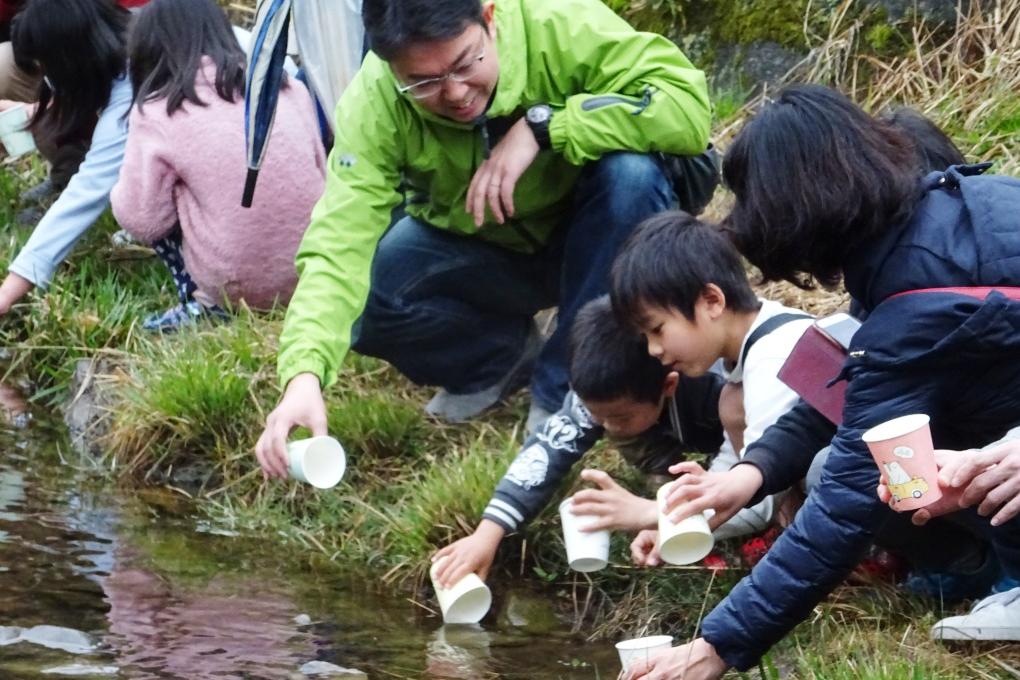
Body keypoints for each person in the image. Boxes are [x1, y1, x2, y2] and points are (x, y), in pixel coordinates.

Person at [623, 84, 1020, 680]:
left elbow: (845, 498)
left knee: (892, 461)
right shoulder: (950, 210)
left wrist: (717, 647)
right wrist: (750, 477)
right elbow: (847, 389)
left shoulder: (916, 302)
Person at [253, 0, 715, 479]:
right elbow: (337, 244)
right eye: (423, 82)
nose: (455, 94)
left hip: (602, 233)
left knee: (632, 176)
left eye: (465, 63)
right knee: (371, 297)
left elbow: (685, 106)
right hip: (484, 245)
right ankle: (498, 358)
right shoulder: (376, 99)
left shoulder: (554, 22)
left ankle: (567, 387)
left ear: (489, 19)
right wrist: (303, 375)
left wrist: (547, 127)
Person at [431, 295, 746, 588]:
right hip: (668, 430)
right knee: (629, 435)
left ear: (668, 385)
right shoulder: (609, 397)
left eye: (619, 417)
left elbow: (742, 462)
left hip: (731, 437)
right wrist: (488, 533)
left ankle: (679, 498)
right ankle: (669, 484)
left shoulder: (715, 386)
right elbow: (547, 451)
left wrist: (663, 514)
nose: (607, 427)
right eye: (598, 416)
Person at [608, 210, 817, 568]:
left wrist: (652, 510)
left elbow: (763, 484)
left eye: (656, 329)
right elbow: (735, 468)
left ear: (712, 301)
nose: (653, 350)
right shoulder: (747, 359)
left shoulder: (775, 356)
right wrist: (676, 525)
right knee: (732, 404)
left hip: (885, 494)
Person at [109, 0, 325, 329]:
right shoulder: (284, 85)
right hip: (320, 270)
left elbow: (141, 220)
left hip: (236, 288)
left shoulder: (158, 110)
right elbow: (321, 170)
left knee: (162, 195)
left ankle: (202, 305)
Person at [0, 0, 132, 314]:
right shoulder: (126, 38)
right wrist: (27, 119)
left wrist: (7, 293)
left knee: (138, 211)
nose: (47, 82)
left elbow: (88, 191)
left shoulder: (136, 92)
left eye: (49, 70)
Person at [0, 0, 147, 220]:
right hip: (73, 38)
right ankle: (69, 173)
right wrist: (32, 114)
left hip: (107, 36)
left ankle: (126, 186)